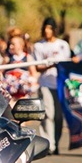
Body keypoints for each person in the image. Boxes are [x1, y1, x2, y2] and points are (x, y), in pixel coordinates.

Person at [31, 17, 71, 155]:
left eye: (50, 28)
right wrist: (52, 64)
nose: (47, 31)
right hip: (45, 84)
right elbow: (38, 67)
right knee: (48, 114)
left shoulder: (63, 45)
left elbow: (67, 64)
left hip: (60, 84)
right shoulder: (39, 46)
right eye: (45, 28)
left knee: (59, 116)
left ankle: (56, 141)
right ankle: (48, 144)